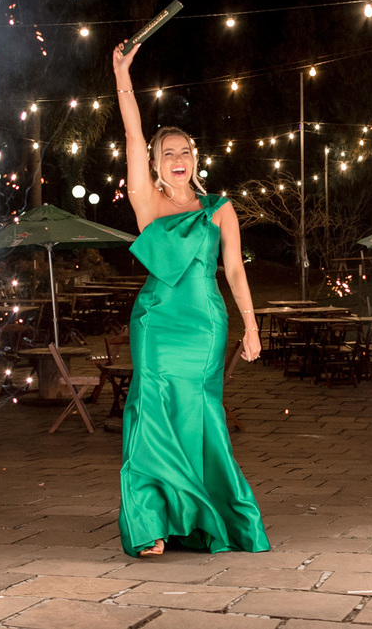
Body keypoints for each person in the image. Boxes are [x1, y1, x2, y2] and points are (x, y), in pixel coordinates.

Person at [111, 41, 269, 559]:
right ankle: (151, 520)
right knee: (151, 412)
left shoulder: (221, 210)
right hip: (156, 323)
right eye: (167, 153)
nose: (177, 159)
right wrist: (122, 75)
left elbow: (233, 272)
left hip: (205, 325)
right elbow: (133, 134)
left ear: (195, 158)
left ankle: (204, 515)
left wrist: (250, 325)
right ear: (155, 163)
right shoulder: (148, 203)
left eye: (185, 151)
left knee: (199, 414)